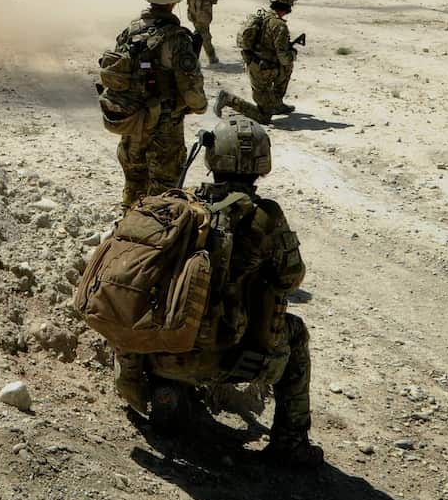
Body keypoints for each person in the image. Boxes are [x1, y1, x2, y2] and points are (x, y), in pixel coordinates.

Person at [113, 115, 322, 466]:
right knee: (296, 335)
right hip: (232, 361)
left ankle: (167, 394)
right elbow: (291, 278)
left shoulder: (177, 206)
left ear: (212, 158)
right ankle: (290, 443)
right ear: (262, 163)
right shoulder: (266, 217)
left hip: (163, 352)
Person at [99, 0, 207, 208]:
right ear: (175, 0)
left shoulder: (130, 31)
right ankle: (156, 239)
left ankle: (127, 234)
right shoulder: (177, 39)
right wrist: (199, 106)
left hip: (133, 122)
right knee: (164, 193)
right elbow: (191, 91)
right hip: (164, 129)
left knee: (134, 184)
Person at [213, 0, 300, 124]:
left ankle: (277, 104)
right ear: (287, 5)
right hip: (261, 71)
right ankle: (228, 99)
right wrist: (293, 53)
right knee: (264, 117)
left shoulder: (262, 16)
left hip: (258, 64)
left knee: (287, 67)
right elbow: (284, 58)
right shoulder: (279, 25)